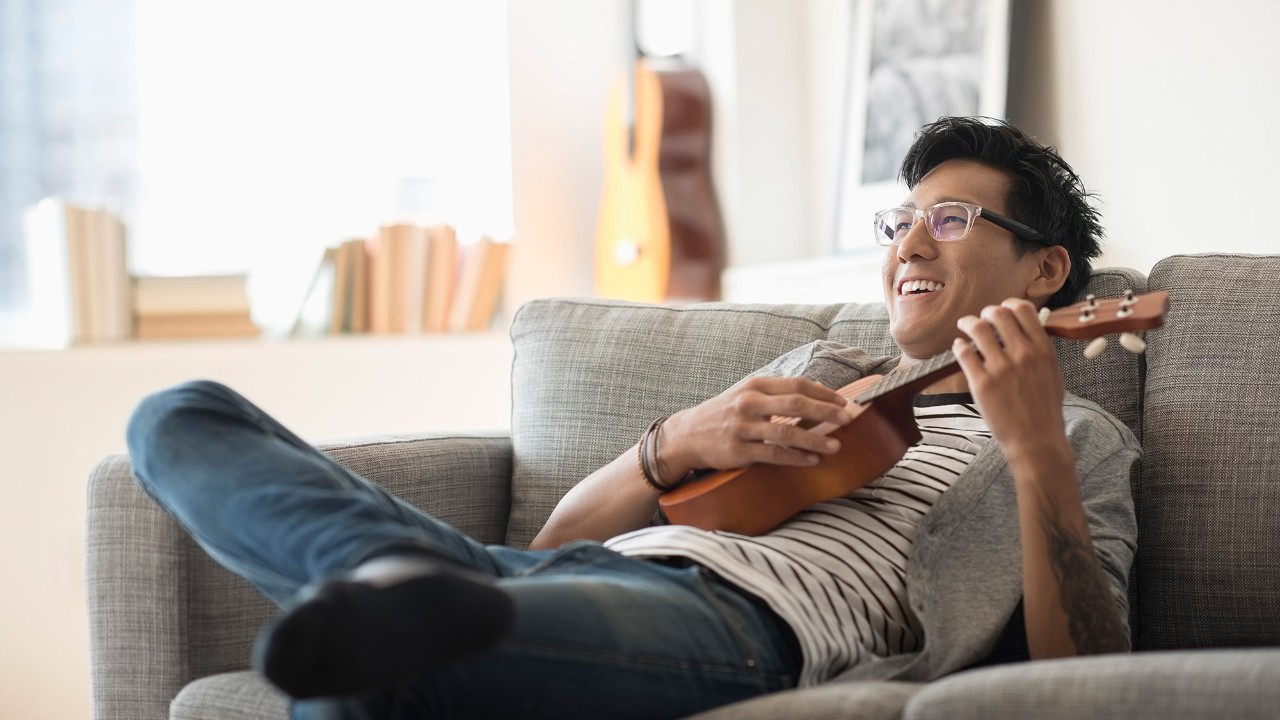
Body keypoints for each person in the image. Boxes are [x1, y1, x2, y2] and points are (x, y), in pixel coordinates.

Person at [126, 116, 1137, 720]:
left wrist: (1032, 448)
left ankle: (378, 590)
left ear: (1044, 270)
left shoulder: (1080, 438)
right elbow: (554, 542)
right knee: (178, 415)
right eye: (899, 221)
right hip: (571, 574)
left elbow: (1084, 675)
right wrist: (674, 442)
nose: (910, 243)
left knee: (376, 673)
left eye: (950, 220)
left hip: (739, 626)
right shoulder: (821, 366)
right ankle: (389, 586)